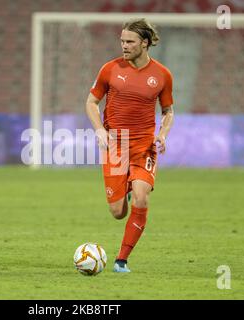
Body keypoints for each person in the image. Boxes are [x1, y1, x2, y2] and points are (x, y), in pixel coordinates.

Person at [85, 19, 174, 272]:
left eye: (130, 42)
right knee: (117, 212)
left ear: (144, 43)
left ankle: (121, 260)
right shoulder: (110, 69)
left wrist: (163, 134)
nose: (124, 46)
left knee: (141, 195)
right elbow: (91, 102)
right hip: (115, 146)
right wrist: (100, 130)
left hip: (144, 146)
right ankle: (124, 184)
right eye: (122, 41)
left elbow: (168, 111)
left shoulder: (162, 75)